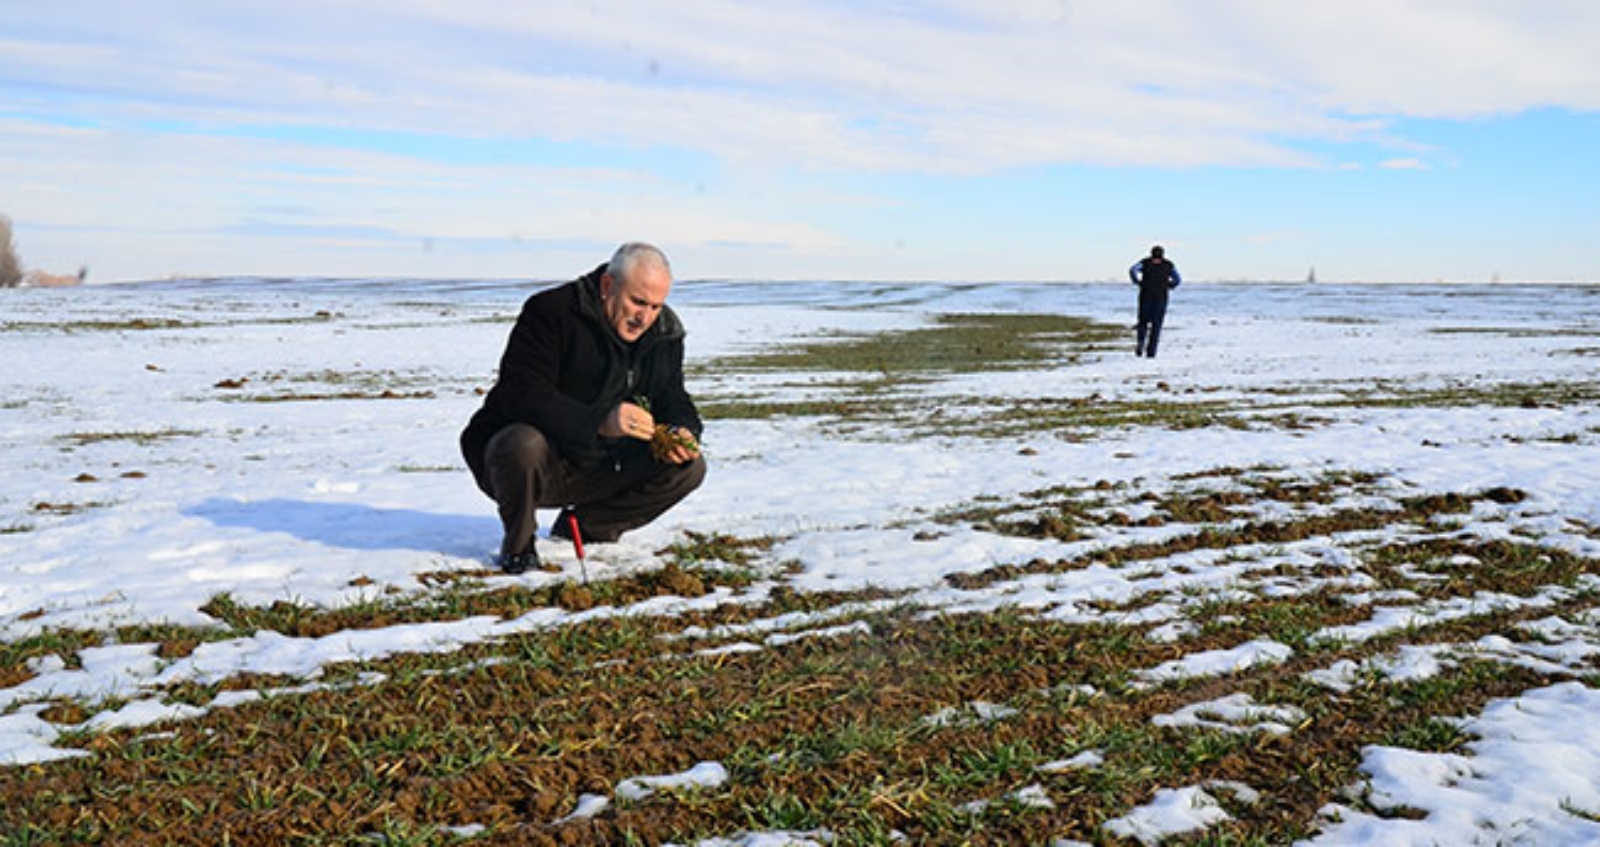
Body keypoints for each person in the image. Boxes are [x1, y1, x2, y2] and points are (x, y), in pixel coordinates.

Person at [460, 242, 706, 574]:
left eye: (655, 306)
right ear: (607, 286)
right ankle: (518, 549)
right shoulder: (551, 311)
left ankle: (586, 527)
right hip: (530, 464)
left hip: (602, 463)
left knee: (689, 468)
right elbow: (521, 393)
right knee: (522, 443)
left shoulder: (665, 331)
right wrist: (600, 421)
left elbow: (672, 396)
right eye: (637, 302)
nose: (644, 317)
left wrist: (682, 431)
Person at [1128, 244, 1181, 358]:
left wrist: (1137, 282)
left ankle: (1141, 342)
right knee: (1156, 326)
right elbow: (1178, 279)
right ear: (1162, 255)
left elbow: (1133, 270)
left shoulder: (1145, 262)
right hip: (1161, 297)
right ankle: (1151, 352)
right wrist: (1170, 285)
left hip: (1145, 295)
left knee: (1143, 322)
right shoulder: (1168, 264)